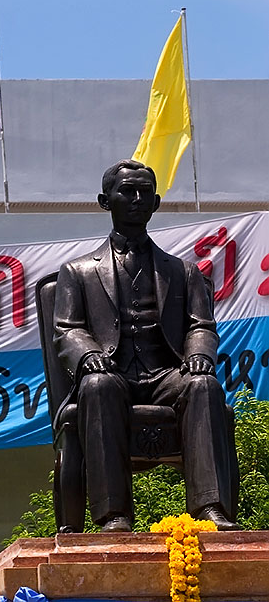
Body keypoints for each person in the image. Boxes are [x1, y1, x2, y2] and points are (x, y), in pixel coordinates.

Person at [53, 159, 239, 532]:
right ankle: (113, 515)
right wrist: (89, 354)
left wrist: (199, 354)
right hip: (112, 373)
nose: (137, 199)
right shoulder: (78, 272)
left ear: (155, 204)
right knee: (98, 385)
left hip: (165, 375)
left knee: (204, 385)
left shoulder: (183, 271)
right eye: (127, 191)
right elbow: (67, 328)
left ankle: (211, 510)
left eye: (145, 193)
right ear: (106, 201)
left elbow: (200, 326)